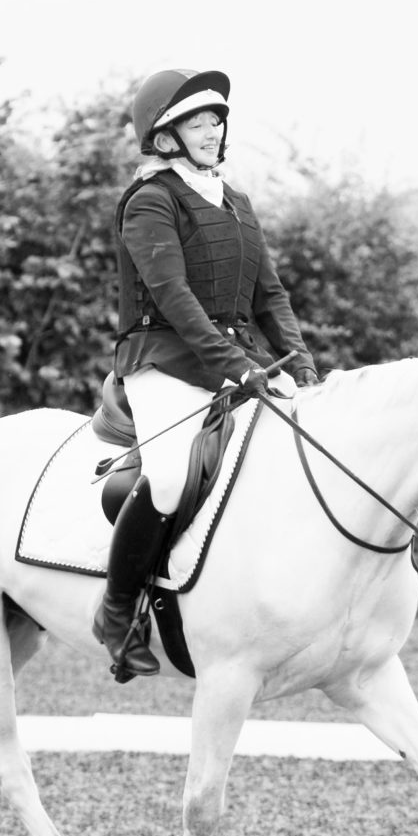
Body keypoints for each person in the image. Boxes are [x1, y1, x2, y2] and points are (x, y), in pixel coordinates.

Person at [94, 67, 319, 679]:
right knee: (169, 479)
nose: (213, 129)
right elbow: (173, 298)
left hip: (233, 363)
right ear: (165, 135)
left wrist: (300, 363)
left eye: (217, 118)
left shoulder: (237, 203)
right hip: (163, 362)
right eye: (198, 120)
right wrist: (239, 369)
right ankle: (117, 610)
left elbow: (269, 295)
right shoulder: (150, 201)